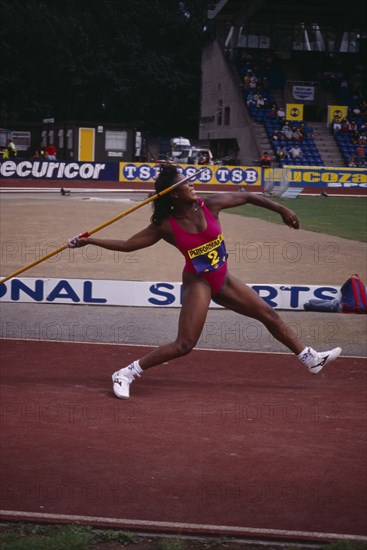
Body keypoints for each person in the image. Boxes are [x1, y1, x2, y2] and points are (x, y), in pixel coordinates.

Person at [68, 164, 342, 399]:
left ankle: (310, 358)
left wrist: (280, 208)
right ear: (174, 194)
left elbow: (249, 198)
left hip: (222, 278)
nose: (193, 185)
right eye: (186, 184)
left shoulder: (211, 204)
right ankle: (125, 373)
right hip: (198, 282)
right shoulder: (165, 225)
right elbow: (128, 245)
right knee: (184, 345)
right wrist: (90, 240)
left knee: (269, 314)